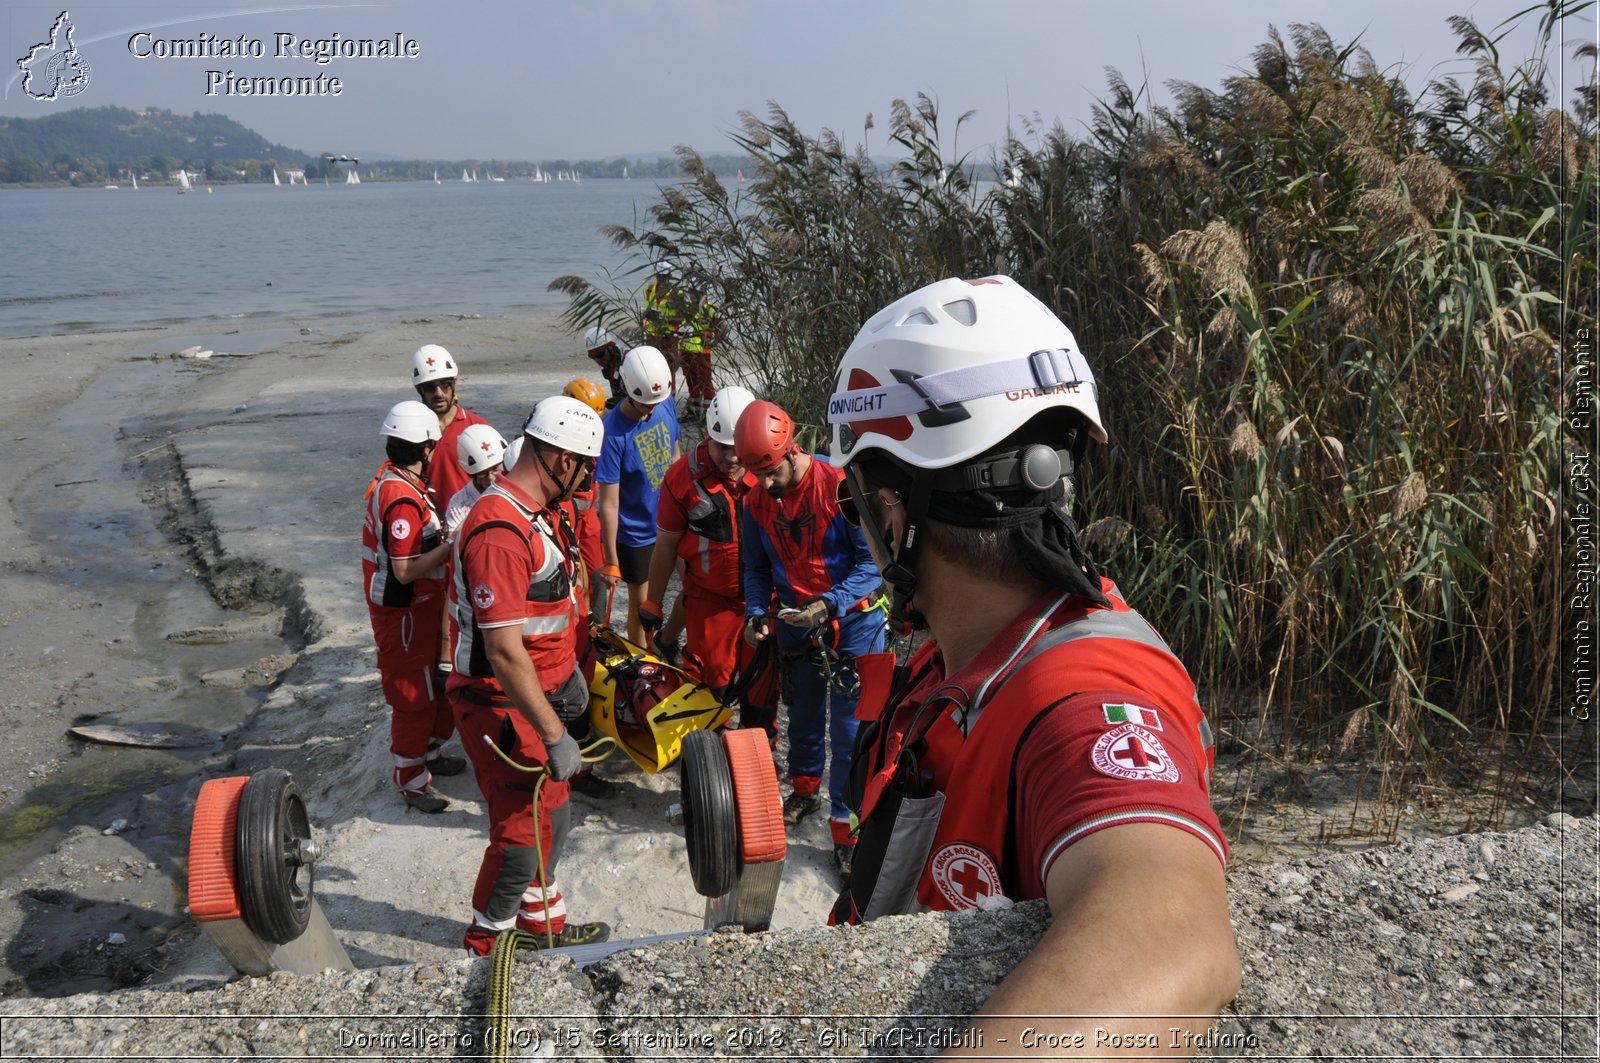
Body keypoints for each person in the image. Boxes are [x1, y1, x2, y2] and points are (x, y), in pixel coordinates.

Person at [823, 275, 1239, 1051]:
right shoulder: (968, 654)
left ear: (891, 514)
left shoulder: (1083, 694)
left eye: (858, 508)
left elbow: (1173, 935)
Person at [446, 396, 611, 954]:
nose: (587, 479)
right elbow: (503, 652)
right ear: (564, 462)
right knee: (518, 843)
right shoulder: (498, 532)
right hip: (501, 706)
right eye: (585, 467)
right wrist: (555, 732)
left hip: (534, 702)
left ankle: (545, 929)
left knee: (554, 820)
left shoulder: (531, 516)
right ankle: (485, 945)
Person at [737, 399, 886, 879]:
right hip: (797, 626)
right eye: (754, 473)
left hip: (855, 624)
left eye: (769, 471)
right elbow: (756, 568)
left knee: (848, 734)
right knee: (801, 715)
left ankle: (845, 831)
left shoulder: (839, 488)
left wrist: (830, 603)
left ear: (791, 450)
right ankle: (804, 791)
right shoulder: (755, 501)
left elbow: (873, 566)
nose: (763, 483)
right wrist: (757, 611)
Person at [360, 400, 466, 814]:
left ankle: (430, 754)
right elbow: (403, 571)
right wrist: (450, 549)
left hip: (418, 608)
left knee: (434, 689)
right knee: (413, 696)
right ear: (425, 449)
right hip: (403, 613)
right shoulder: (401, 498)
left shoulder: (396, 482)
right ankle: (411, 780)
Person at [640, 385, 757, 702]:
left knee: (760, 687)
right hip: (710, 600)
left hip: (765, 599)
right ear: (708, 437)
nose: (732, 458)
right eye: (722, 448)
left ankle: (758, 745)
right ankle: (703, 748)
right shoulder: (681, 478)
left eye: (738, 447)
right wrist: (653, 601)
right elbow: (665, 545)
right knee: (709, 685)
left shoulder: (768, 467)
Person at [595, 345, 681, 646]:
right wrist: (611, 559)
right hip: (636, 534)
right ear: (628, 391)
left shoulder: (664, 403)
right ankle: (642, 665)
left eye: (655, 403)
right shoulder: (613, 432)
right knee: (642, 606)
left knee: (694, 587)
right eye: (644, 404)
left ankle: (669, 646)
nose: (651, 410)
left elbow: (674, 453)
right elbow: (608, 501)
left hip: (671, 520)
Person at [410, 343, 487, 512]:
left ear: (455, 382)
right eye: (430, 387)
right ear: (418, 389)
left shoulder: (478, 427)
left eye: (444, 384)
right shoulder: (409, 432)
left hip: (468, 527)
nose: (438, 393)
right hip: (425, 527)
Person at [442, 423, 508, 536]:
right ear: (472, 474)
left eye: (496, 469)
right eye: (482, 474)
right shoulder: (458, 503)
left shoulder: (517, 487)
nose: (491, 478)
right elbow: (451, 543)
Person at [582, 327, 627, 407]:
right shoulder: (608, 364)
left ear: (610, 347)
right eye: (592, 357)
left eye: (600, 355)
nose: (597, 360)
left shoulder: (626, 360)